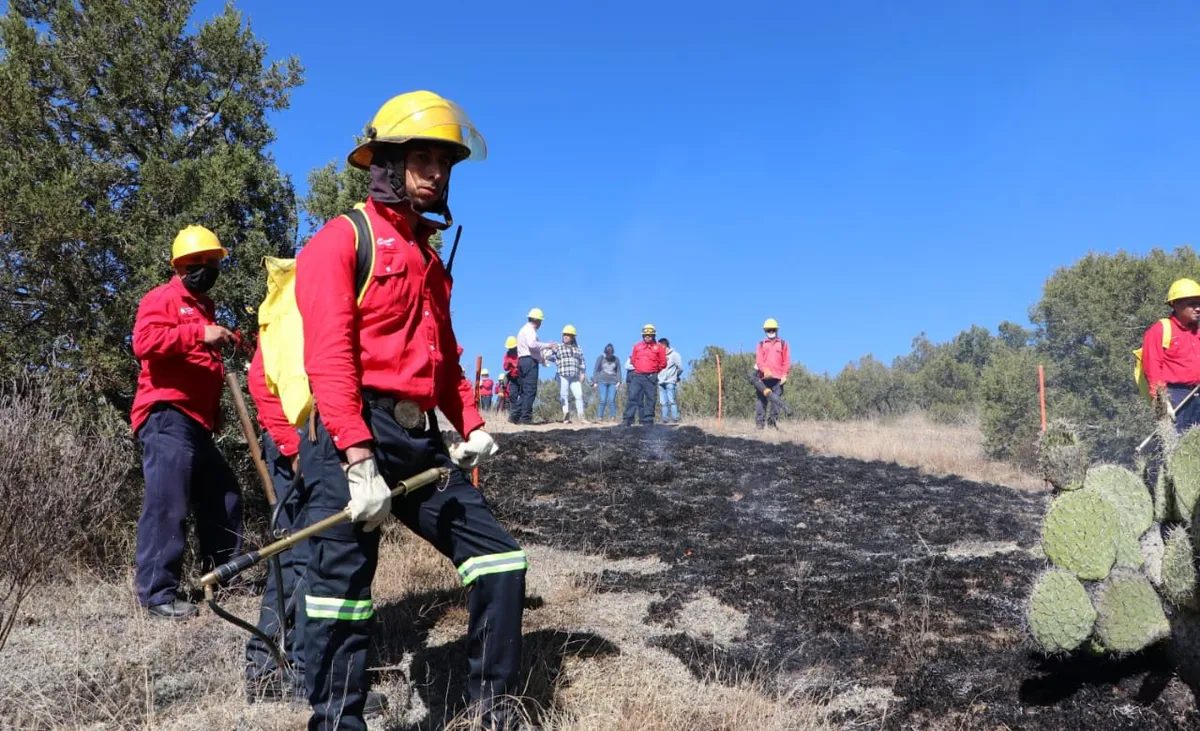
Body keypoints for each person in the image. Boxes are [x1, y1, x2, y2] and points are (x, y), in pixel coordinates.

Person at [294, 90, 527, 731]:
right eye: (423, 159)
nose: (437, 174)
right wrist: (359, 459)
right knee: (342, 588)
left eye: (445, 163)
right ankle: (337, 720)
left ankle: (494, 707)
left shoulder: (429, 259)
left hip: (418, 437)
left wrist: (472, 425)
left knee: (502, 560)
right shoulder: (341, 241)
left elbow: (445, 361)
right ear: (387, 164)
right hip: (351, 434)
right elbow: (331, 359)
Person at [130, 225, 243, 620]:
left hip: (197, 422)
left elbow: (200, 364)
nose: (206, 269)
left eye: (211, 262)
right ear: (179, 265)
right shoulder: (162, 298)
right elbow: (144, 344)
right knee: (167, 503)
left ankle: (226, 574)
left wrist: (215, 409)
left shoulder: (203, 306)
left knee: (224, 495)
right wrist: (199, 333)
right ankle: (158, 594)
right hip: (166, 415)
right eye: (197, 262)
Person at [245, 338, 306, 701]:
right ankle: (294, 672)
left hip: (312, 439)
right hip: (297, 442)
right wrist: (293, 445)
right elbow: (260, 378)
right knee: (301, 551)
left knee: (297, 551)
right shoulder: (294, 300)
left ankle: (268, 668)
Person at [1143, 279, 1200, 432]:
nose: (1198, 308)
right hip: (1176, 397)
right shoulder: (1160, 330)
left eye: (1199, 303)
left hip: (1198, 394)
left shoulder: (1198, 333)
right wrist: (1162, 403)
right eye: (1192, 303)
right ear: (1176, 304)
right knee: (1177, 445)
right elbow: (1152, 368)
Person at [512, 308, 554, 424]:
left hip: (522, 361)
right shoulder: (530, 330)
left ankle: (515, 416)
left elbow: (529, 349)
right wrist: (547, 345)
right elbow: (532, 345)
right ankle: (525, 418)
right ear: (537, 320)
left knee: (524, 391)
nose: (541, 324)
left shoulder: (522, 330)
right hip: (529, 362)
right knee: (530, 391)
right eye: (540, 321)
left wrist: (541, 360)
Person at [622, 324, 667, 426]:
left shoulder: (659, 347)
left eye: (650, 334)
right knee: (632, 397)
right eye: (646, 334)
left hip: (651, 377)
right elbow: (633, 360)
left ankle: (648, 421)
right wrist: (639, 368)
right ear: (643, 335)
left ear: (654, 335)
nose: (648, 336)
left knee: (650, 399)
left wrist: (655, 372)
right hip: (637, 376)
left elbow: (663, 363)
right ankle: (627, 420)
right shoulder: (637, 346)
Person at [755, 318, 791, 430]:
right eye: (768, 330)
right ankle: (759, 425)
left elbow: (786, 361)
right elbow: (759, 361)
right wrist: (764, 370)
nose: (771, 332)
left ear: (776, 330)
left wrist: (785, 375)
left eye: (773, 329)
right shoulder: (760, 345)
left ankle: (772, 424)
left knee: (776, 403)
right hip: (763, 380)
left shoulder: (783, 344)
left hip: (777, 380)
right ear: (765, 331)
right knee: (761, 402)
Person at [555, 325, 589, 424]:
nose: (565, 336)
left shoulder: (578, 348)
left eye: (568, 335)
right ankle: (566, 416)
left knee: (579, 395)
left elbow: (582, 361)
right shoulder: (558, 346)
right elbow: (547, 354)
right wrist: (554, 359)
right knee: (564, 395)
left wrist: (582, 373)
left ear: (573, 337)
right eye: (564, 334)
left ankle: (581, 417)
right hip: (563, 375)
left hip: (575, 376)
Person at [592, 344, 622, 422]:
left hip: (613, 382)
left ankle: (613, 417)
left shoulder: (616, 359)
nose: (609, 355)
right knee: (603, 400)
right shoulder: (601, 358)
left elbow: (618, 371)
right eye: (607, 354)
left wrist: (619, 381)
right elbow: (596, 370)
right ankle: (600, 417)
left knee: (611, 400)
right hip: (602, 381)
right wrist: (595, 382)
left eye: (610, 354)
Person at [657, 338, 683, 424]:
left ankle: (675, 419)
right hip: (661, 381)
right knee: (663, 402)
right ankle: (665, 420)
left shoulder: (674, 355)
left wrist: (675, 376)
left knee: (671, 400)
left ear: (664, 345)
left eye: (660, 346)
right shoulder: (659, 356)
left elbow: (680, 368)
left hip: (670, 380)